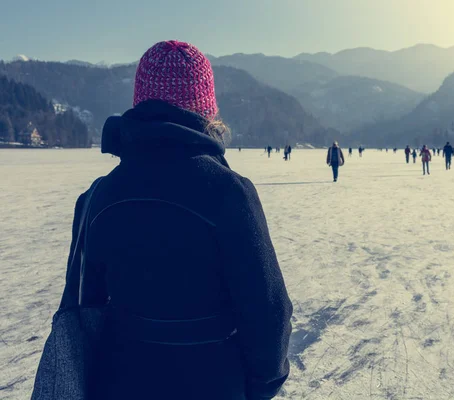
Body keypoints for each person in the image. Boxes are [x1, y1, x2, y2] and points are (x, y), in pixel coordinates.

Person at [43, 41, 293, 400]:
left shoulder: (100, 195)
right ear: (206, 109)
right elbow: (268, 311)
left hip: (118, 381)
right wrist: (258, 386)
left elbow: (87, 308)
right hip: (211, 381)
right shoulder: (229, 192)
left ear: (139, 104)